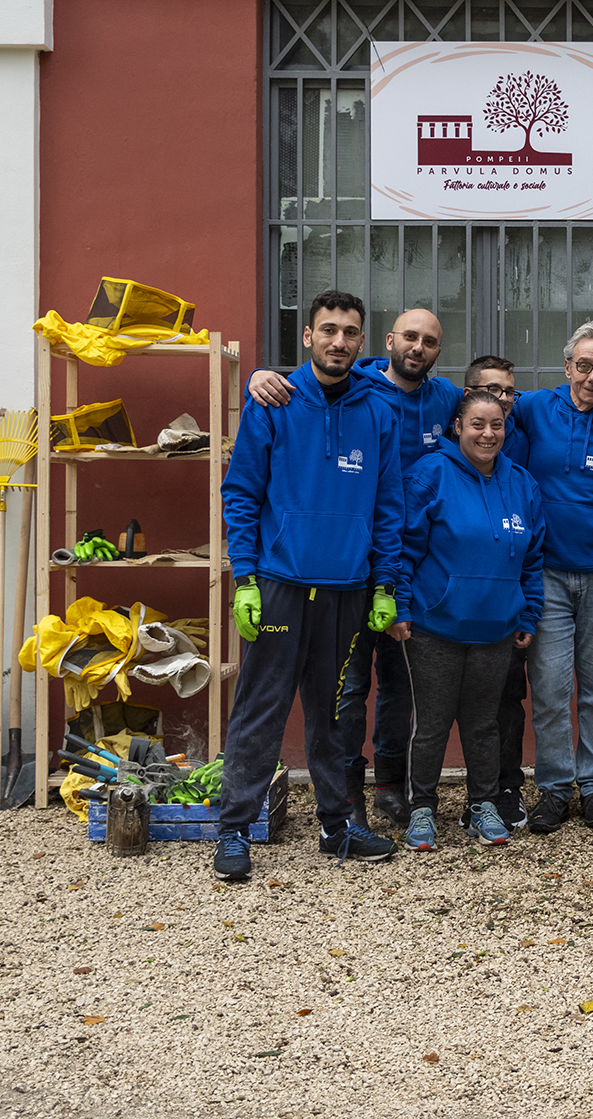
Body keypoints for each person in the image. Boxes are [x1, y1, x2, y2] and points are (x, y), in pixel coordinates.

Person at [214, 289, 403, 878]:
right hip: (279, 585)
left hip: (347, 589)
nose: (338, 341)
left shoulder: (379, 412)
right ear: (308, 336)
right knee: (260, 708)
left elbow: (388, 507)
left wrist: (384, 585)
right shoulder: (272, 402)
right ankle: (234, 831)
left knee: (334, 715)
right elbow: (240, 494)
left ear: (362, 341)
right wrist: (245, 578)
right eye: (328, 330)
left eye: (349, 332)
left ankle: (337, 826)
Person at [249, 308, 460, 832]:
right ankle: (346, 795)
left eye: (429, 341)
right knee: (346, 687)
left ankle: (389, 785)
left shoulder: (446, 399)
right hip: (346, 563)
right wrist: (258, 374)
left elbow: (493, 411)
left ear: (438, 350)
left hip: (412, 563)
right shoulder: (361, 385)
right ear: (386, 341)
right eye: (409, 336)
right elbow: (319, 372)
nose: (417, 347)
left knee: (399, 684)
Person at [389, 388, 545, 852]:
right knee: (432, 724)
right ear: (457, 426)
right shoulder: (430, 474)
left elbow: (532, 560)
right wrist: (399, 607)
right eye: (477, 424)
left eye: (496, 425)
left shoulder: (522, 484)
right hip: (434, 626)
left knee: (483, 725)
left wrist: (529, 613)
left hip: (496, 628)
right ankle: (421, 808)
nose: (487, 434)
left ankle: (483, 805)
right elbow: (403, 550)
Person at [511, 321, 593, 833]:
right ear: (567, 366)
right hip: (546, 572)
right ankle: (553, 787)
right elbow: (470, 405)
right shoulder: (533, 408)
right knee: (549, 687)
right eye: (584, 365)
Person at [462, 354, 532, 831]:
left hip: (507, 599)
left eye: (509, 391)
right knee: (434, 707)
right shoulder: (447, 453)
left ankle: (505, 788)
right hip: (448, 603)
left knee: (507, 699)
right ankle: (413, 794)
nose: (503, 400)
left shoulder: (523, 436)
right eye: (493, 390)